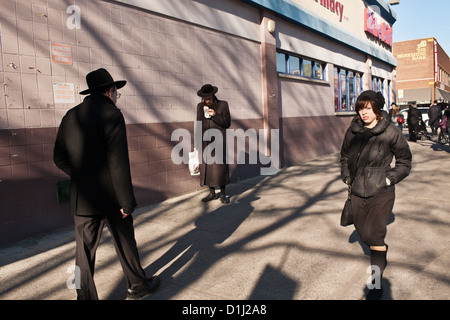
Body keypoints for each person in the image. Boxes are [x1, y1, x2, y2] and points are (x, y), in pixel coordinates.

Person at [53, 68, 160, 300]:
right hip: (111, 196)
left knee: (83, 253)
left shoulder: (70, 115)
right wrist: (126, 202)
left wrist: (81, 175)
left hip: (84, 198)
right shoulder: (112, 115)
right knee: (125, 242)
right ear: (110, 91)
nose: (116, 97)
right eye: (116, 93)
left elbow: (58, 157)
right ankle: (137, 285)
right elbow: (118, 162)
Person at [340, 90, 412, 300]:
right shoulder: (352, 130)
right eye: (361, 108)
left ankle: (376, 283)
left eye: (368, 108)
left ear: (378, 110)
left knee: (376, 236)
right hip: (357, 192)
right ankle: (379, 252)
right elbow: (344, 156)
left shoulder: (390, 132)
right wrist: (346, 177)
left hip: (381, 193)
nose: (364, 113)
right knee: (364, 235)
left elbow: (405, 161)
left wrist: (388, 179)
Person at [196, 84, 231, 204]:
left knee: (220, 167)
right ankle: (211, 193)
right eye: (205, 99)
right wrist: (197, 143)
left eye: (209, 98)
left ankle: (223, 193)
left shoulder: (223, 105)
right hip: (205, 141)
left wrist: (215, 115)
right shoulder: (200, 106)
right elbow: (199, 124)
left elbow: (227, 123)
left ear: (213, 95)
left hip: (219, 140)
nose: (208, 101)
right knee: (207, 168)